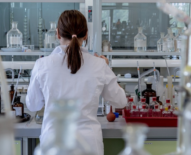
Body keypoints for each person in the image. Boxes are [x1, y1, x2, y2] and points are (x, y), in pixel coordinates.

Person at [26, 10, 127, 155]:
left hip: (53, 145)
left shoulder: (42, 64)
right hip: (89, 145)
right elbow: (121, 102)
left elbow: (33, 104)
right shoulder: (99, 65)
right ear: (86, 35)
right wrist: (106, 67)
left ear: (58, 34)